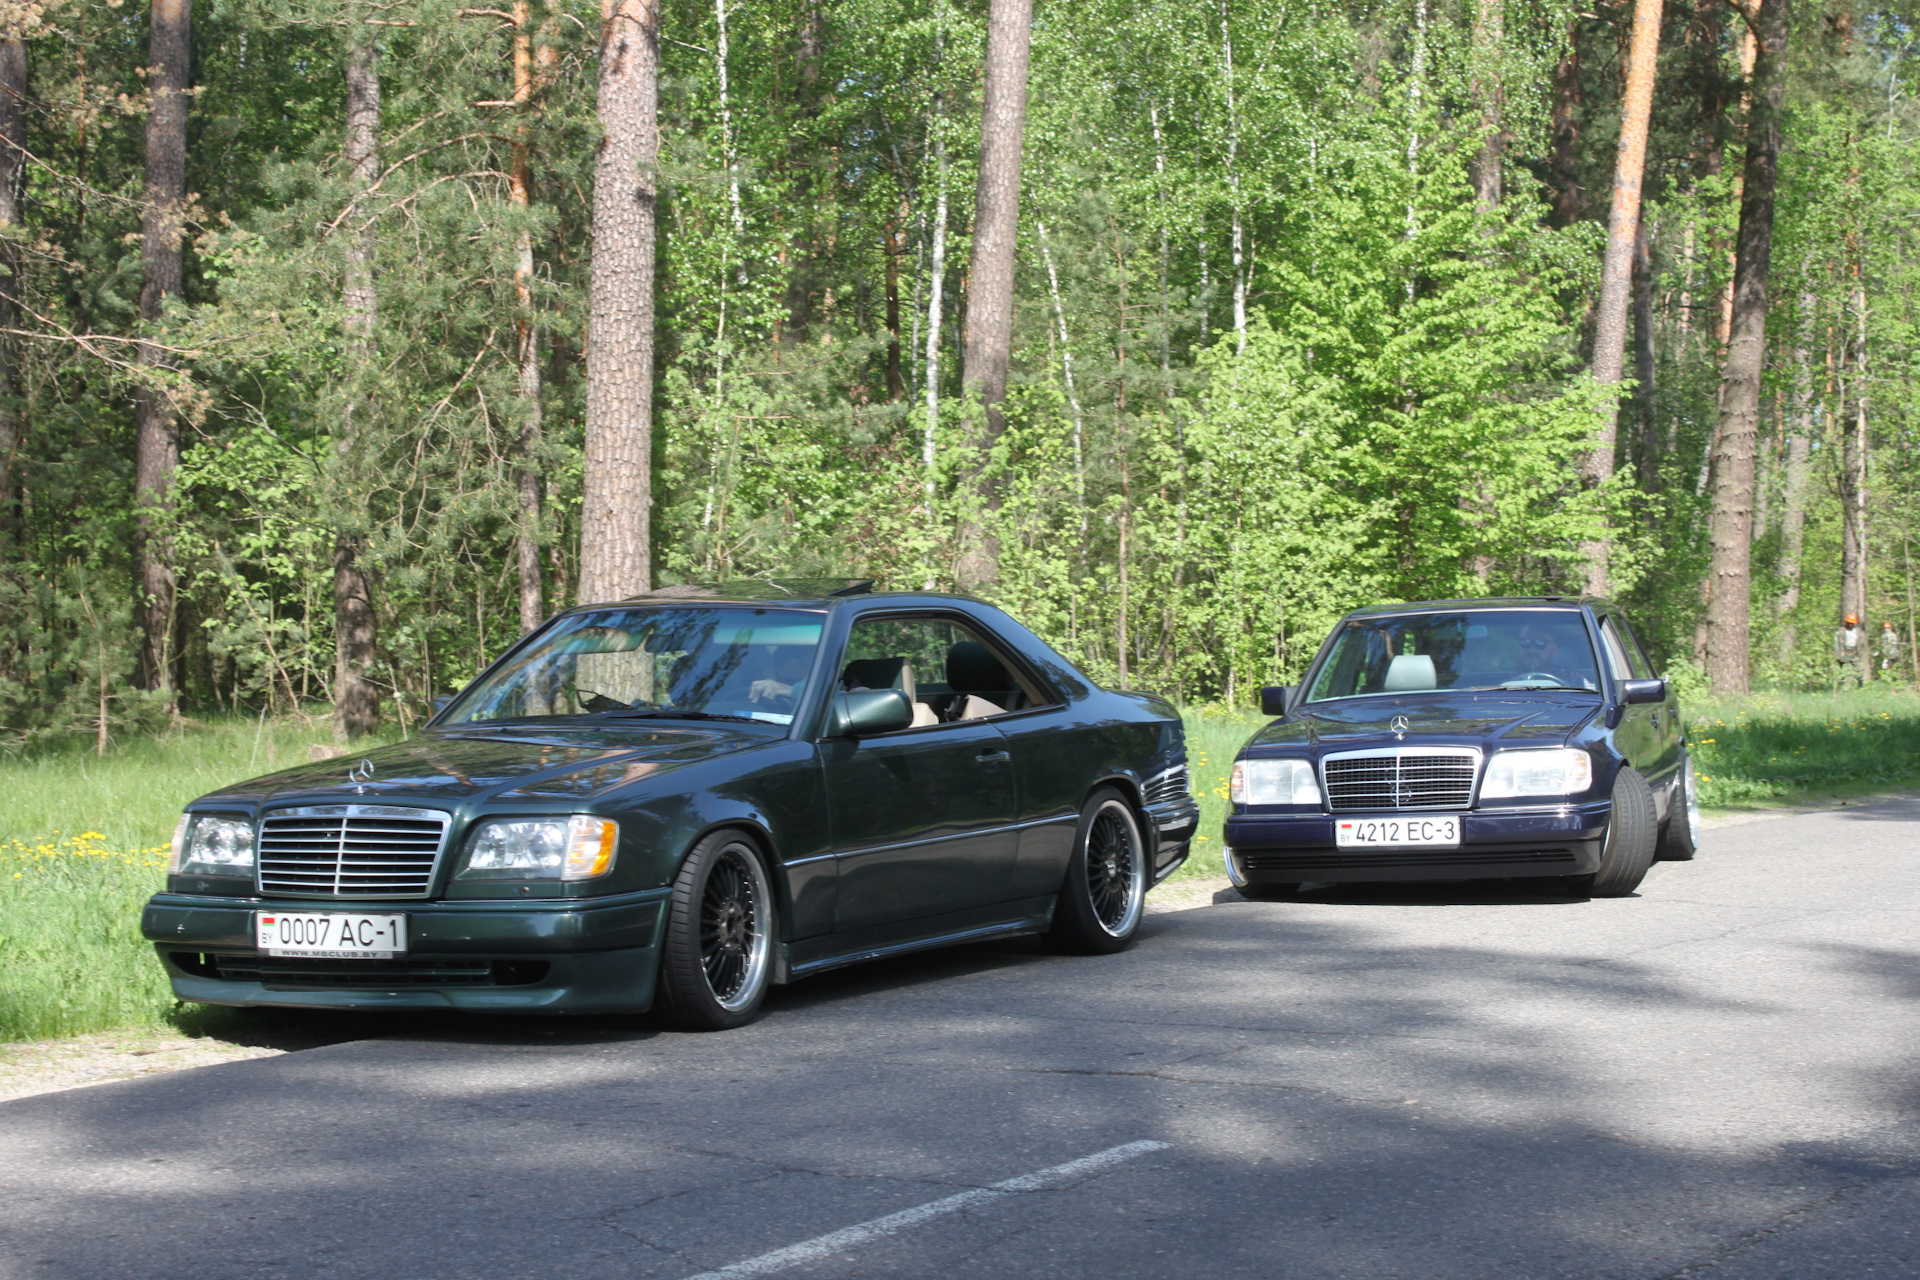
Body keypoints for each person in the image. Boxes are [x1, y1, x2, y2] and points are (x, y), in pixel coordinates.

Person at [1513, 621, 1598, 691]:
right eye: (1525, 642)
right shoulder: (1501, 680)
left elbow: (1591, 699)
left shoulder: (1574, 680)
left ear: (1554, 650)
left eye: (1540, 643)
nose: (1531, 650)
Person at [1834, 613, 1866, 692]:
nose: (1850, 624)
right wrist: (1839, 656)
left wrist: (1860, 652)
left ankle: (1860, 687)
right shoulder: (1841, 632)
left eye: (1852, 623)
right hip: (1844, 653)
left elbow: (1861, 643)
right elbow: (1837, 644)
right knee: (1845, 672)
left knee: (1859, 669)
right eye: (1849, 623)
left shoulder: (1857, 632)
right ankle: (1843, 689)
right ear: (1846, 622)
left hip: (1855, 653)